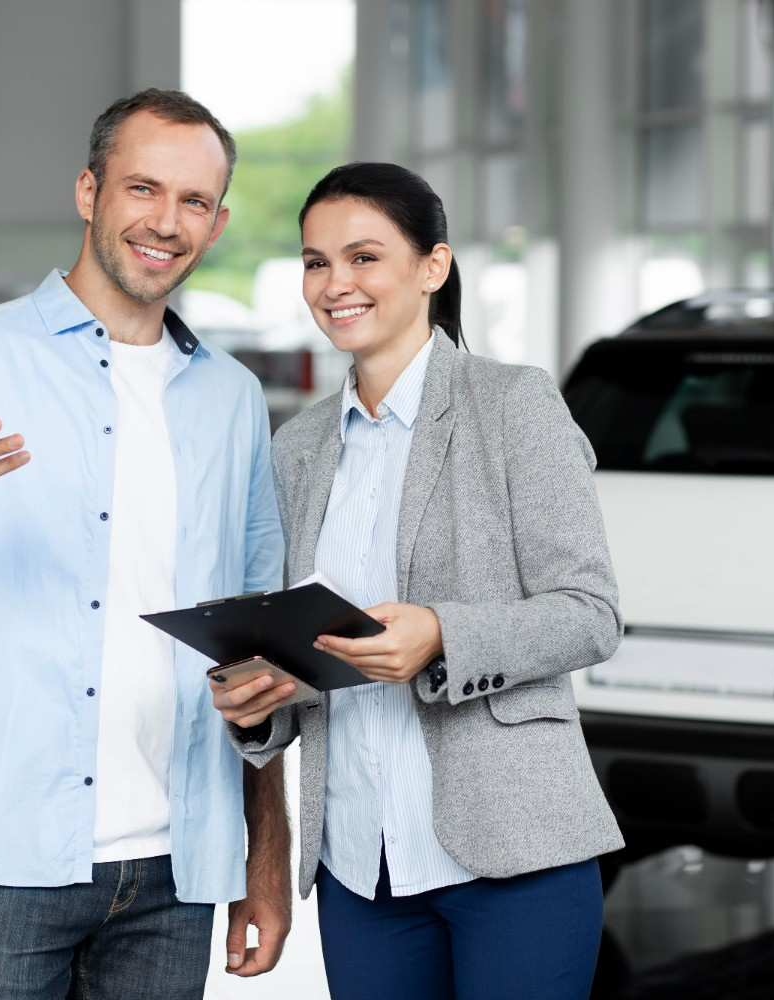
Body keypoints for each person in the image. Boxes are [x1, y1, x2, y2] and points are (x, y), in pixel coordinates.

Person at [0, 89, 290, 999]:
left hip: (179, 865)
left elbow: (258, 640)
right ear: (89, 192)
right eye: (142, 189)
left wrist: (266, 859)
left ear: (218, 220)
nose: (166, 223)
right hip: (3, 852)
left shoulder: (233, 398)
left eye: (194, 202)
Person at [211, 162, 624, 1000]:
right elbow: (312, 641)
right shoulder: (299, 446)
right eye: (316, 262)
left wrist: (442, 633)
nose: (335, 285)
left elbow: (589, 614)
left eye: (364, 257)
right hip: (363, 866)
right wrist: (267, 698)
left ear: (432, 267)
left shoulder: (514, 406)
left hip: (515, 849)